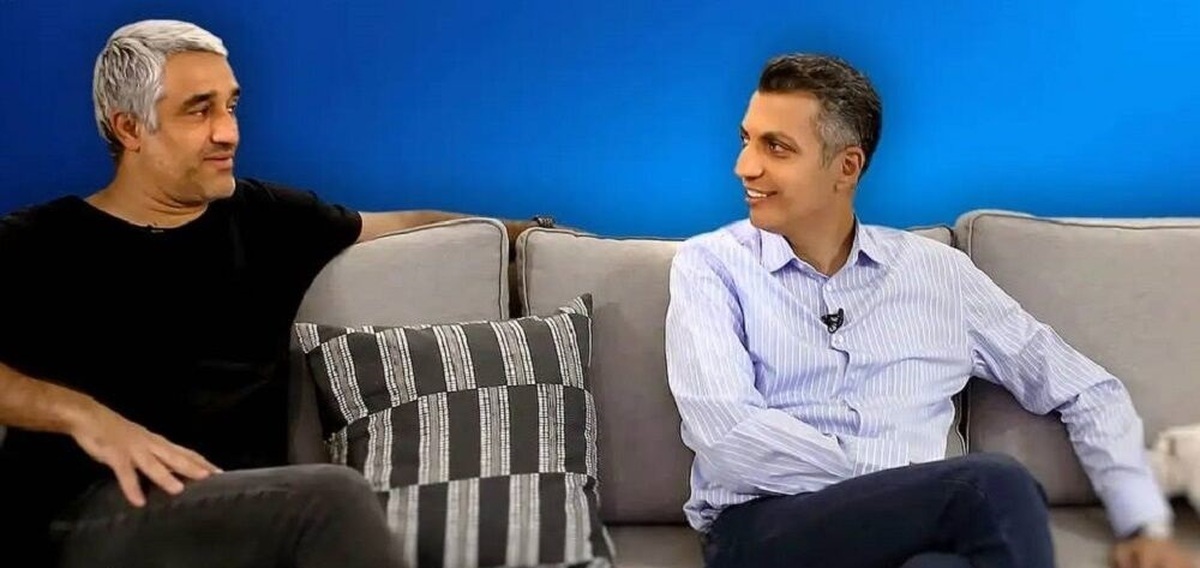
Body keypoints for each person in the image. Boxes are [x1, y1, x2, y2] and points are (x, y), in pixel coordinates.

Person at [0, 19, 537, 567]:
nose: (228, 133)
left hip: (246, 515)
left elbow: (406, 225)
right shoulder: (40, 240)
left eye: (231, 106)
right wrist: (81, 415)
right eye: (199, 111)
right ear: (130, 128)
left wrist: (529, 232)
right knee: (333, 498)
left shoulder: (266, 218)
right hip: (89, 516)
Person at [664, 53, 1195, 568]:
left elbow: (1086, 389)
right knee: (996, 486)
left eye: (776, 147)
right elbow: (726, 432)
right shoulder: (712, 264)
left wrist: (1142, 523)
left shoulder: (940, 275)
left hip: (921, 520)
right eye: (746, 140)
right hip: (768, 525)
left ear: (846, 167)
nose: (744, 167)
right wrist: (896, 478)